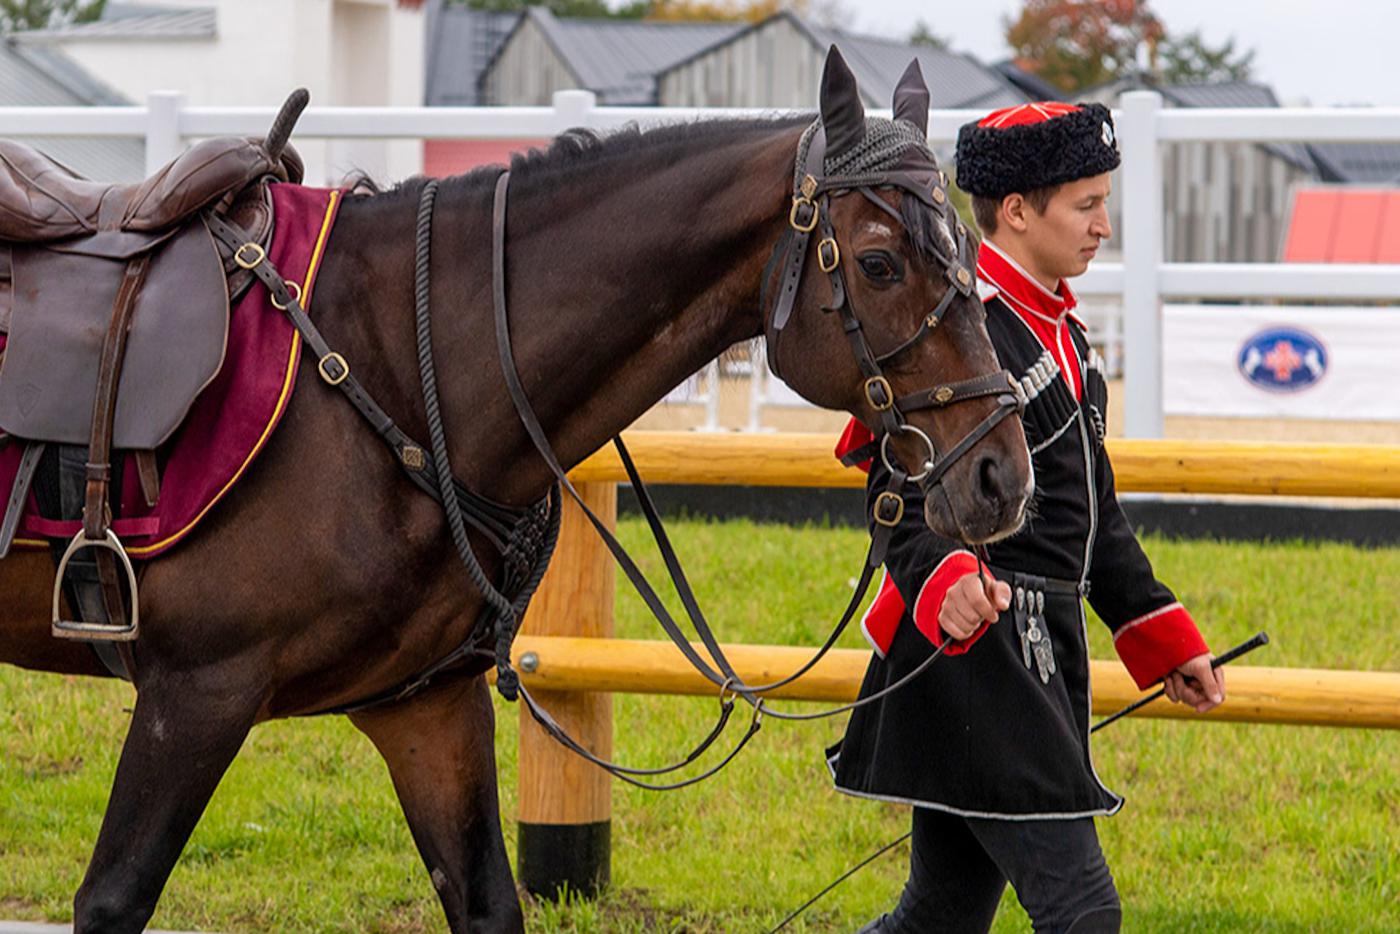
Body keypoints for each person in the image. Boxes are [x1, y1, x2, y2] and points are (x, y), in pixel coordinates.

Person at [827, 101, 1226, 934]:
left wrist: (1161, 635)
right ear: (1015, 212)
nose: (1104, 226)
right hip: (981, 655)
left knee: (938, 916)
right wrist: (941, 574)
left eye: (1102, 202)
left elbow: (1094, 513)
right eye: (1086, 205)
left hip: (1033, 653)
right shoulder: (958, 332)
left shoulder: (1063, 336)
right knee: (1083, 914)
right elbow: (893, 491)